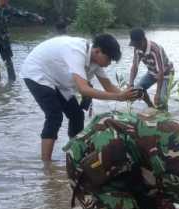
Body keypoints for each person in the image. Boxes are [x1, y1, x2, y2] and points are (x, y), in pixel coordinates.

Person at [21, 34, 137, 162]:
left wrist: (128, 95)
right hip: (37, 73)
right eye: (109, 59)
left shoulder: (96, 61)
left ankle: (74, 154)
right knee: (54, 116)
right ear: (97, 51)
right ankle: (46, 164)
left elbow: (108, 86)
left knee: (77, 115)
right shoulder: (76, 52)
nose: (109, 63)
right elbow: (84, 89)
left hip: (57, 79)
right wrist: (118, 97)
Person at [0, 0, 44, 81]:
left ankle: (12, 82)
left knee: (8, 62)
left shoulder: (8, 9)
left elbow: (21, 14)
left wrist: (35, 16)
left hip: (4, 41)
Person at [127, 28, 174, 109]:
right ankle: (150, 106)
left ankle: (164, 115)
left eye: (138, 44)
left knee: (162, 100)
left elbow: (161, 72)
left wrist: (157, 93)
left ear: (143, 40)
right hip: (152, 72)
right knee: (137, 90)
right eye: (135, 45)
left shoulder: (155, 49)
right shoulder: (137, 49)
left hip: (166, 73)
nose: (137, 47)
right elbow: (135, 66)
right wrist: (130, 84)